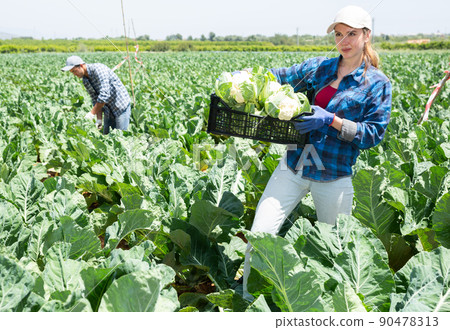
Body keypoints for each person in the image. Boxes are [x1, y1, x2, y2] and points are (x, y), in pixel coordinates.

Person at [242, 5, 392, 301]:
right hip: (294, 165)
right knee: (258, 236)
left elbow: (373, 134)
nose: (344, 41)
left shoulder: (377, 84)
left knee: (336, 250)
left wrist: (332, 120)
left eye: (351, 33)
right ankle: (248, 302)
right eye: (338, 34)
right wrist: (246, 78)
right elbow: (278, 75)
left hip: (333, 175)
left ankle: (327, 307)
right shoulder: (319, 69)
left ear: (366, 35)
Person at [61, 56, 131, 134]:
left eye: (74, 71)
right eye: (72, 72)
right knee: (107, 137)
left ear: (81, 66)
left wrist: (92, 113)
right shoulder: (85, 80)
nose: (74, 74)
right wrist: (99, 119)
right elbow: (95, 99)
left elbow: (105, 95)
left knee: (121, 136)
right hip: (108, 110)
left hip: (120, 106)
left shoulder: (99, 69)